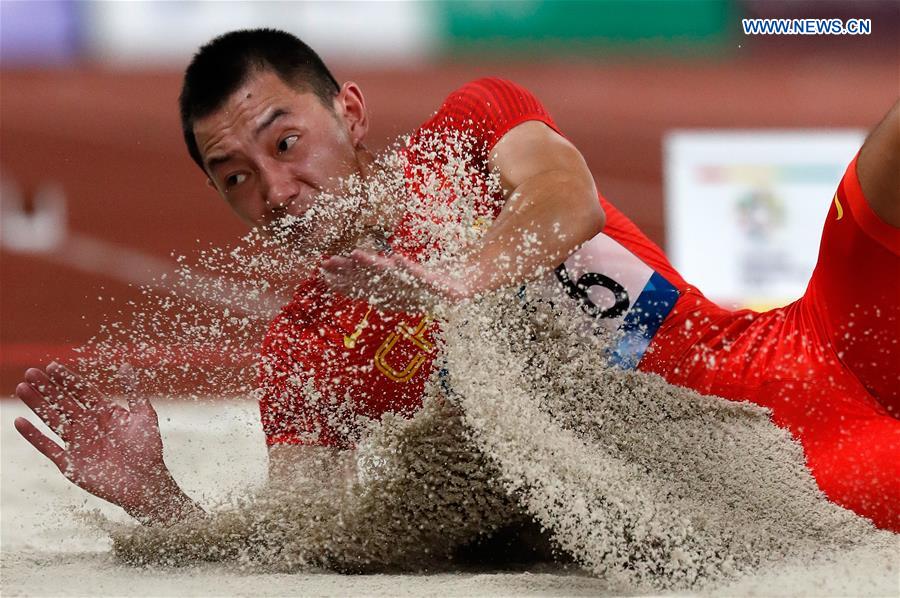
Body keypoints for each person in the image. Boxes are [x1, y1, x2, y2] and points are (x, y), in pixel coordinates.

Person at [13, 29, 899, 534]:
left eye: (286, 143)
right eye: (235, 177)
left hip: (802, 338)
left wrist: (460, 278)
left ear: (349, 113)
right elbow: (304, 535)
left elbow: (567, 201)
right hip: (765, 465)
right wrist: (158, 500)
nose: (276, 191)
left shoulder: (471, 129)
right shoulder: (302, 358)